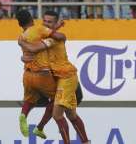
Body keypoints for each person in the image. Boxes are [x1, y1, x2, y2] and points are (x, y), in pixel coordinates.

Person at [19, 11, 89, 144]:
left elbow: (34, 49)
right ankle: (85, 142)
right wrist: (23, 57)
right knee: (72, 115)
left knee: (57, 115)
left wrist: (21, 43)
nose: (46, 24)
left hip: (66, 77)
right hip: (56, 77)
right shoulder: (44, 34)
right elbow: (30, 54)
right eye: (44, 21)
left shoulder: (53, 39)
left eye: (49, 22)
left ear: (55, 23)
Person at [16, 9, 66, 137]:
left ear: (19, 24)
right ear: (32, 19)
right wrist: (60, 32)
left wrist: (58, 26)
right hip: (41, 74)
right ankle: (40, 127)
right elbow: (56, 36)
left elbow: (26, 54)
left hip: (27, 74)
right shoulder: (38, 29)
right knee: (58, 99)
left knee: (29, 100)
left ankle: (23, 115)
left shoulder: (22, 36)